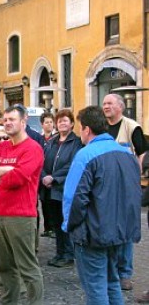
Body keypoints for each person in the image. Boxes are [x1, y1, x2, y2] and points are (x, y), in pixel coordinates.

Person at [63, 106, 141, 304]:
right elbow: (134, 194)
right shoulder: (127, 154)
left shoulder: (85, 155)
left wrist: (70, 227)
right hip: (119, 233)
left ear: (87, 129)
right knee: (112, 281)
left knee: (96, 287)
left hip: (92, 234)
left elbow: (73, 199)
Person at [0, 104, 44, 305]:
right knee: (5, 268)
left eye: (12, 119)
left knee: (27, 268)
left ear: (23, 122)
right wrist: (3, 170)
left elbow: (19, 178)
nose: (7, 123)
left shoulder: (33, 148)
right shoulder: (0, 147)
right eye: (5, 120)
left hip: (21, 216)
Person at [102, 93, 147, 291]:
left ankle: (125, 273)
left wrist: (135, 177)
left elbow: (142, 153)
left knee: (126, 229)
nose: (105, 106)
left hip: (127, 186)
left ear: (120, 106)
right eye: (104, 103)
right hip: (105, 186)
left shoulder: (132, 126)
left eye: (109, 103)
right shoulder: (101, 127)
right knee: (108, 226)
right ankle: (110, 270)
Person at [41, 109, 82, 268]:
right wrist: (44, 175)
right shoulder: (52, 141)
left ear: (72, 123)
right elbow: (42, 160)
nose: (62, 123)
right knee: (55, 223)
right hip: (49, 189)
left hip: (64, 188)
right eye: (59, 121)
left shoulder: (76, 143)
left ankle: (68, 254)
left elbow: (72, 165)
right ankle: (59, 253)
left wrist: (54, 178)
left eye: (65, 120)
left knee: (66, 222)